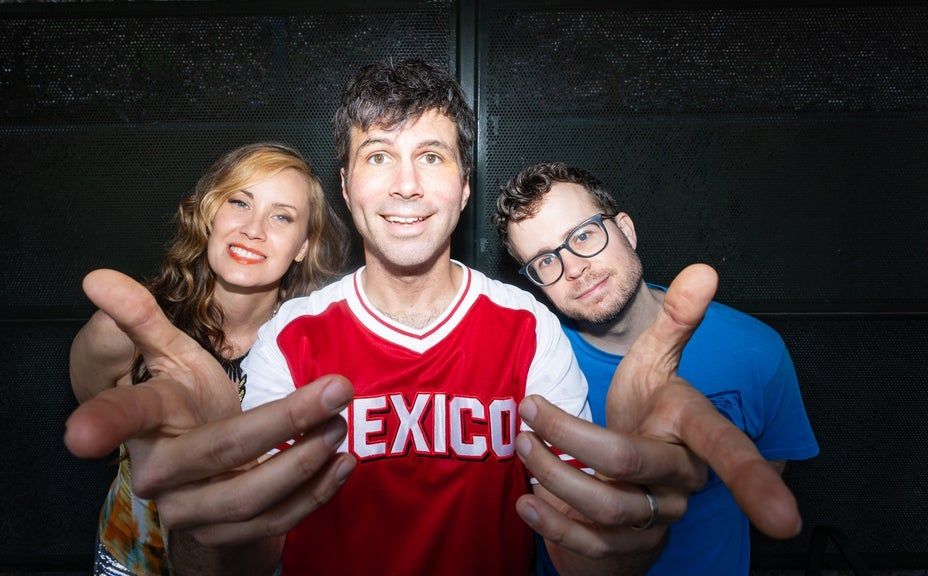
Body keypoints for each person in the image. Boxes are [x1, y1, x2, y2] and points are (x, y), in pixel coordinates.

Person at [65, 60, 805, 576]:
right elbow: (248, 557)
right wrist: (204, 526)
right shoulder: (291, 337)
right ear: (347, 188)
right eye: (378, 157)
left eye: (432, 156)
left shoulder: (529, 328)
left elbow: (580, 556)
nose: (407, 186)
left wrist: (628, 525)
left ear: (463, 188)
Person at [493, 161, 820, 575]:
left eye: (584, 235)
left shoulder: (754, 350)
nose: (573, 268)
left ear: (626, 230)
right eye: (545, 261)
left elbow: (769, 469)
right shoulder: (533, 369)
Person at [68, 142, 348, 575]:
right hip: (132, 557)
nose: (253, 229)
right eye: (240, 202)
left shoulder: (314, 352)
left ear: (303, 247)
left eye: (281, 216)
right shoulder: (124, 331)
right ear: (210, 214)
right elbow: (95, 416)